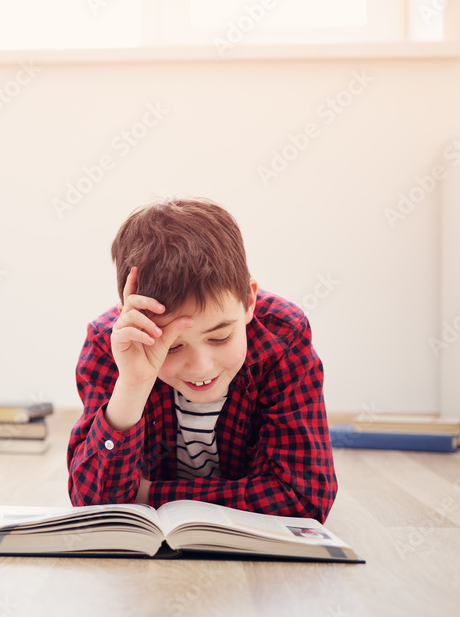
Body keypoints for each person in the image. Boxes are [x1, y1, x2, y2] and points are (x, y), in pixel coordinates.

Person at [67, 197, 337, 522]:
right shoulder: (115, 344)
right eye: (172, 347)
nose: (201, 367)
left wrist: (150, 494)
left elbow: (303, 498)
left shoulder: (283, 335)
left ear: (249, 301)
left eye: (220, 337)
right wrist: (133, 385)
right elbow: (93, 504)